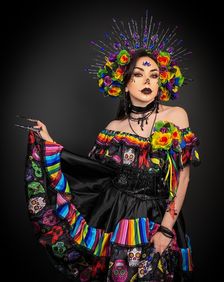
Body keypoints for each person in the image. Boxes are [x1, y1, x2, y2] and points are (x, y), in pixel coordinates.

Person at [22, 12, 201, 282]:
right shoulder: (112, 129)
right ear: (125, 83)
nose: (147, 81)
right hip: (115, 217)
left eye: (154, 75)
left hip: (157, 216)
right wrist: (49, 145)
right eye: (139, 74)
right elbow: (94, 175)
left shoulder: (175, 116)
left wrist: (166, 229)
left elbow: (183, 176)